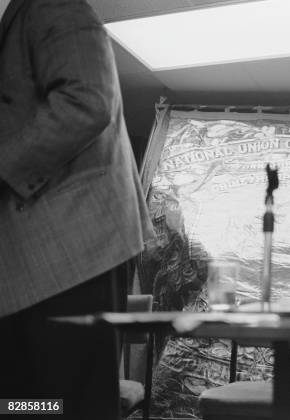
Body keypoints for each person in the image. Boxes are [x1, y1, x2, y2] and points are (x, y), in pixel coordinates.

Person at [0, 0, 153, 419]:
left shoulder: (50, 5)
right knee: (27, 407)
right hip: (36, 269)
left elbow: (87, 102)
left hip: (72, 255)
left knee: (67, 407)